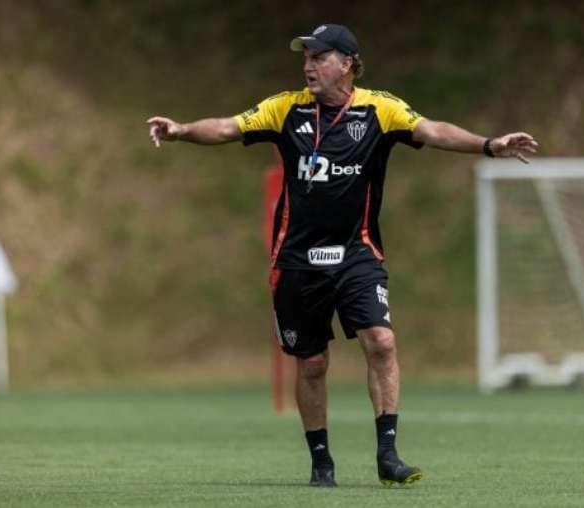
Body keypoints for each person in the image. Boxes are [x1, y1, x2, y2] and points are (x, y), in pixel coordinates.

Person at [147, 24, 538, 488]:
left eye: (319, 56)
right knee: (312, 364)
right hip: (297, 260)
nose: (308, 65)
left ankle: (388, 455)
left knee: (382, 342)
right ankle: (321, 464)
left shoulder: (380, 109)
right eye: (305, 57)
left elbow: (433, 130)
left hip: (357, 253)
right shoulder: (285, 108)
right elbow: (227, 127)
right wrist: (181, 131)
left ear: (347, 63)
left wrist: (489, 145)